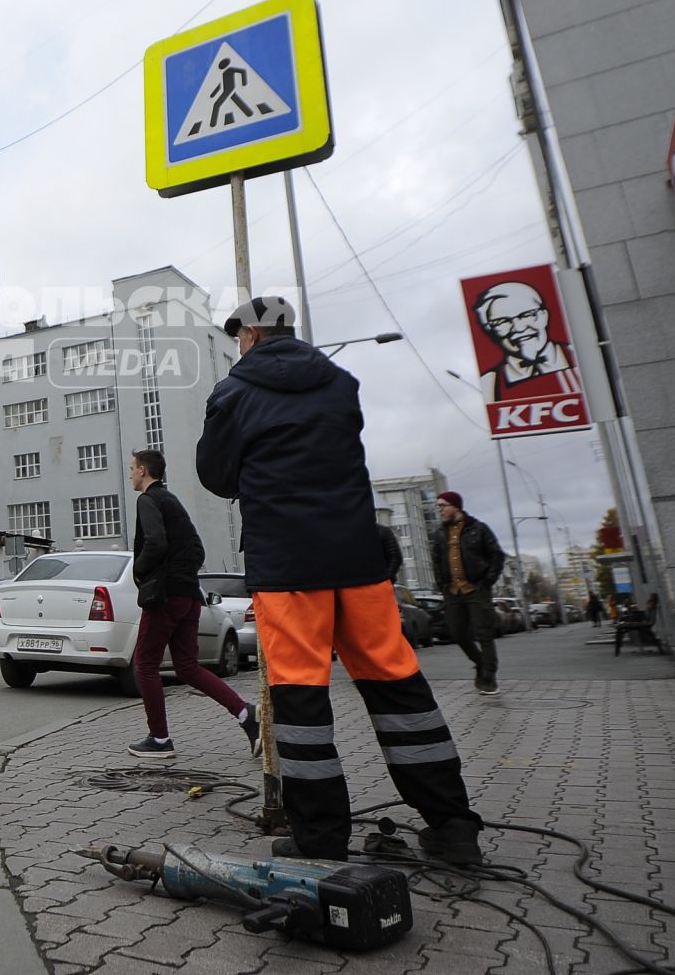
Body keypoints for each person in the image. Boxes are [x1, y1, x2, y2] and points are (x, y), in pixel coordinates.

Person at [198, 296, 484, 866]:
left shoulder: (233, 392)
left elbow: (215, 474)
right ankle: (452, 826)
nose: (237, 345)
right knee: (399, 689)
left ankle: (320, 837)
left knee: (301, 701)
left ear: (250, 336)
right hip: (358, 560)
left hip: (289, 566)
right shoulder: (340, 382)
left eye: (238, 337)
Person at [126, 449, 259, 760]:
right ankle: (246, 715)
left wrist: (140, 571)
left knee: (145, 665)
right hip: (189, 595)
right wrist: (182, 576)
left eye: (132, 468)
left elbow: (155, 542)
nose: (130, 473)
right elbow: (197, 549)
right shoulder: (172, 501)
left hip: (165, 596)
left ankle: (159, 739)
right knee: (187, 667)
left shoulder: (148, 499)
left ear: (144, 470)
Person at [428, 492, 505, 695]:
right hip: (452, 591)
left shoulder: (478, 529)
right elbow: (436, 561)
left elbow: (497, 555)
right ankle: (479, 662)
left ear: (456, 506)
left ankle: (489, 676)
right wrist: (441, 584)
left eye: (443, 505)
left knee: (483, 633)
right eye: (438, 506)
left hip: (476, 589)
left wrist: (487, 581)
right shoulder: (439, 533)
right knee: (457, 632)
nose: (440, 510)